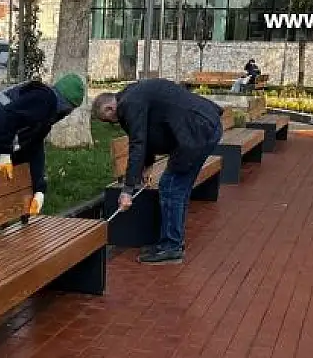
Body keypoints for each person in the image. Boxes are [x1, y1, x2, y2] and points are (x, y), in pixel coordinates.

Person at [92, 78, 223, 265]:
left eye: (110, 121)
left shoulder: (128, 104)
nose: (115, 122)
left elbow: (137, 143)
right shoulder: (132, 94)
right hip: (204, 125)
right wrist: (148, 165)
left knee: (170, 187)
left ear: (109, 109)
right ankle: (172, 241)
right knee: (179, 188)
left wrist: (127, 190)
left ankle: (171, 247)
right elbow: (148, 131)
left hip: (196, 131)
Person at [0, 73, 87, 216]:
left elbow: (34, 150)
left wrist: (39, 190)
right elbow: (6, 116)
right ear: (67, 107)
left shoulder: (44, 113)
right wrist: (5, 153)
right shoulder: (45, 98)